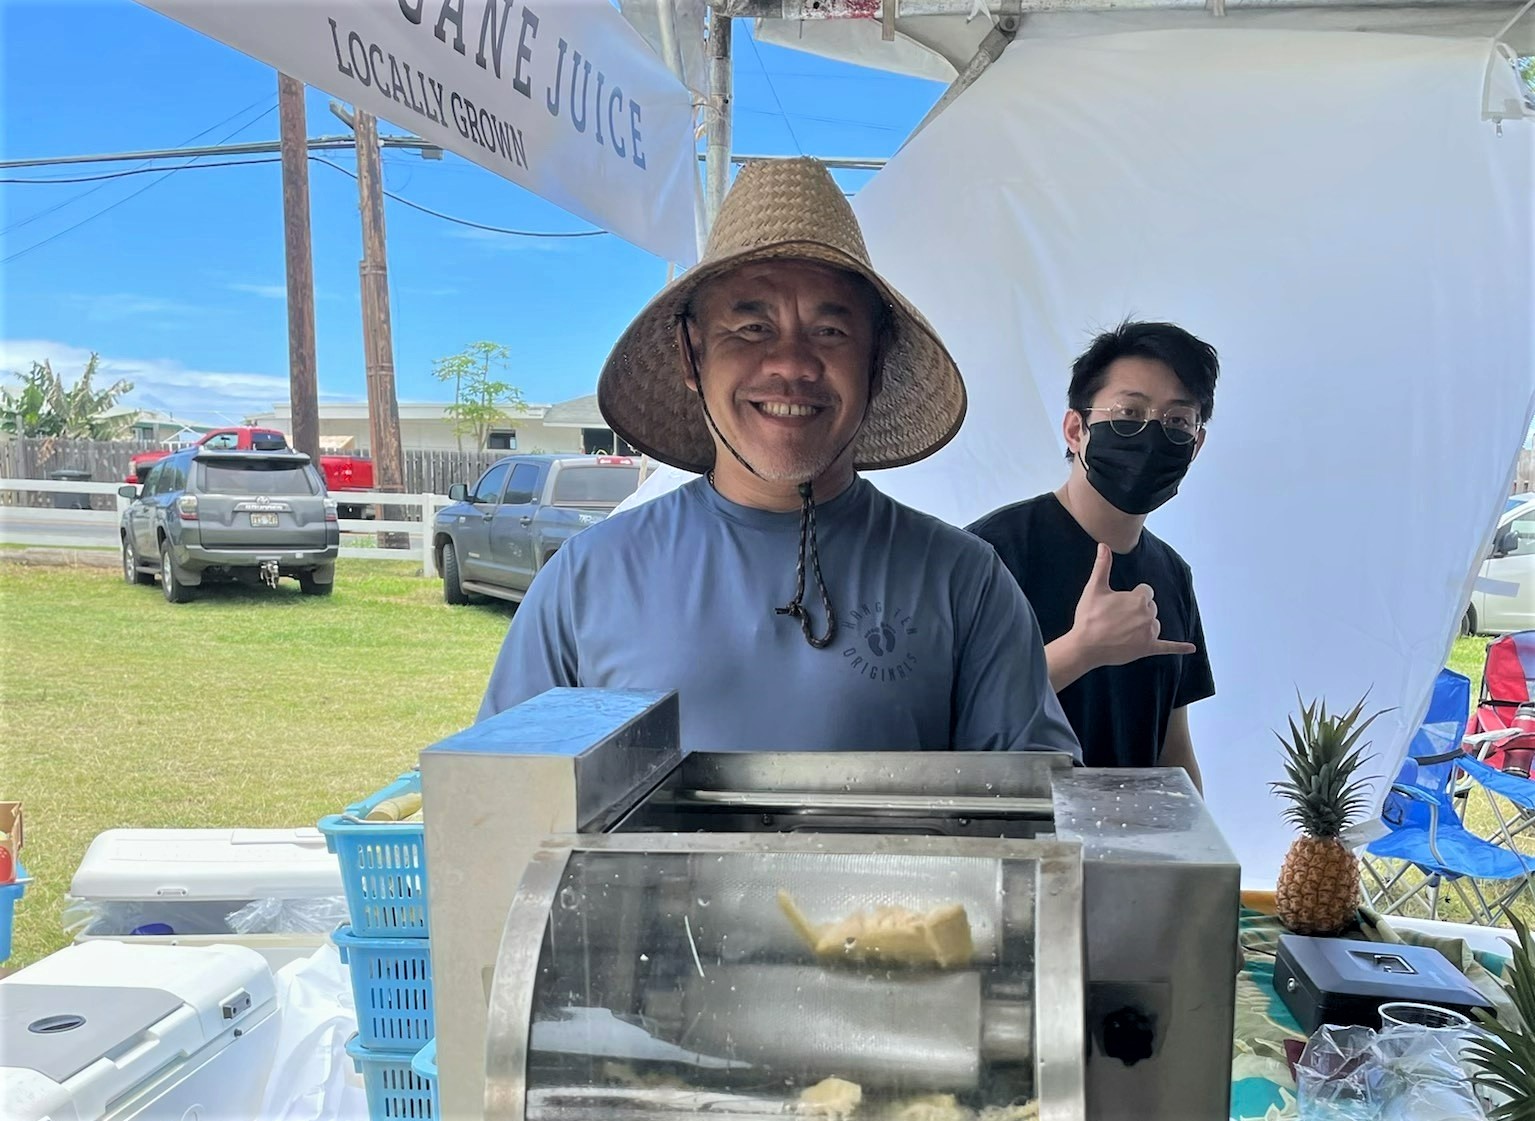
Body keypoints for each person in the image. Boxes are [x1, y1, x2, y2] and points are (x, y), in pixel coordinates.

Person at [479, 157, 1078, 758]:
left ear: (875, 359)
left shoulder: (963, 581)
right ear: (692, 357)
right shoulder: (590, 578)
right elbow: (508, 798)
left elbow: (1031, 805)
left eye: (830, 332)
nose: (791, 365)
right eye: (751, 329)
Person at [968, 321, 1218, 789]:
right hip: (1016, 849)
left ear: (1196, 444)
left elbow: (1174, 748)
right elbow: (947, 716)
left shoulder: (1171, 574)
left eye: (1177, 422)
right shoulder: (985, 555)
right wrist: (1080, 650)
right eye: (1128, 414)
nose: (1151, 436)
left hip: (1135, 852)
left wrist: (1199, 850)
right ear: (1075, 429)